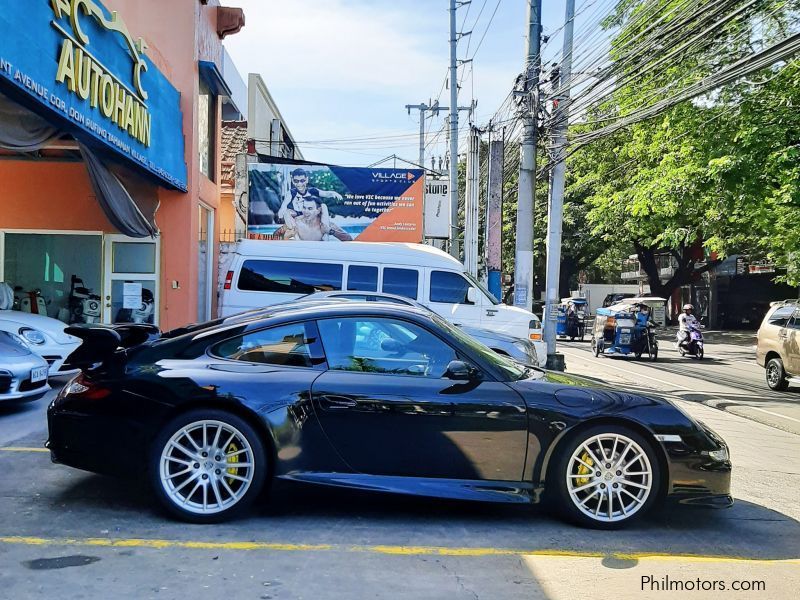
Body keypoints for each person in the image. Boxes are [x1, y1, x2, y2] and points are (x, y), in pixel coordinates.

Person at [277, 168, 343, 229]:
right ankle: (293, 229)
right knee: (286, 212)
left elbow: (325, 193)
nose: (299, 184)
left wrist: (334, 193)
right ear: (293, 181)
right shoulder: (291, 193)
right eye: (296, 181)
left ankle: (324, 227)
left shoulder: (312, 191)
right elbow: (284, 205)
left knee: (323, 206)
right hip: (299, 215)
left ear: (307, 180)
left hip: (311, 215)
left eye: (302, 181)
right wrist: (281, 214)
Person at [275, 196, 352, 241]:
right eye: (304, 208)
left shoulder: (326, 225)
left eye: (310, 208)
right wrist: (285, 237)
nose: (306, 211)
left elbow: (349, 239)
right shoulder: (296, 223)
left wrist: (331, 231)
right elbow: (274, 236)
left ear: (318, 211)